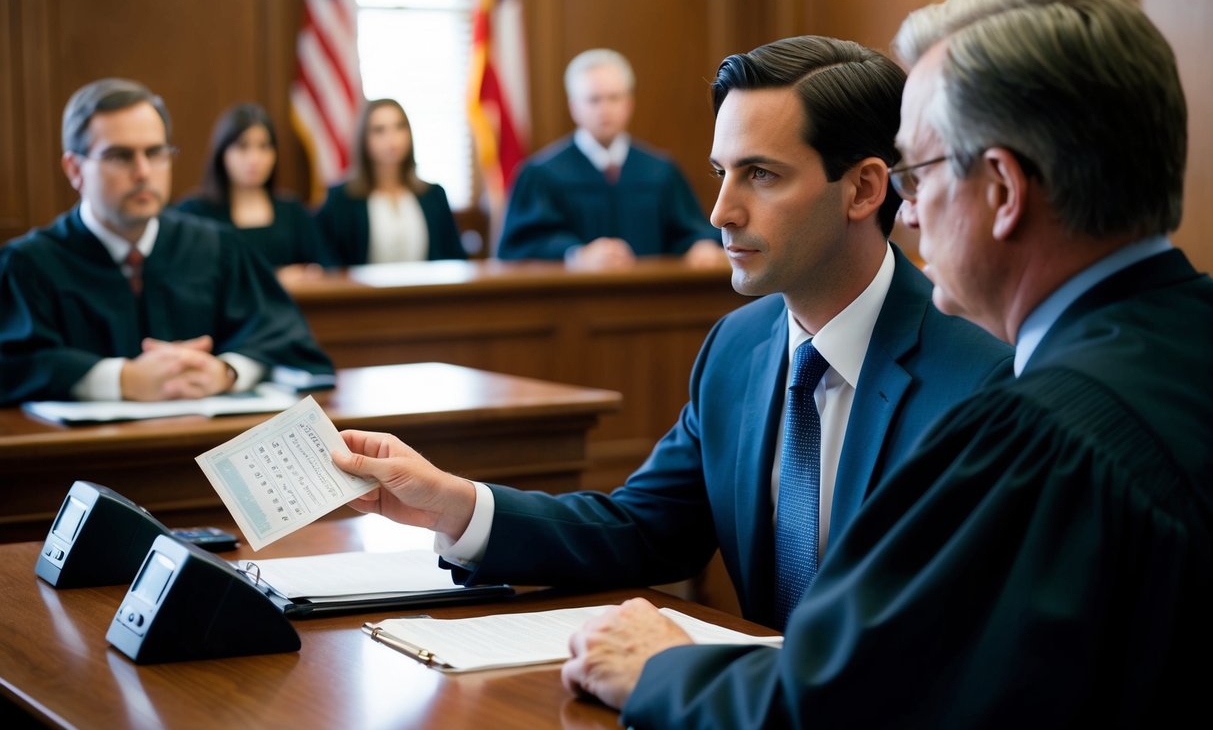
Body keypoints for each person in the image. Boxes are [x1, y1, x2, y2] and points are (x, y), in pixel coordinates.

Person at [555, 0, 1213, 727]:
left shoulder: (1041, 434)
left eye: (918, 173)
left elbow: (855, 708)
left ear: (1001, 190)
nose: (906, 215)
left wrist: (657, 668)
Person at [330, 37, 1010, 629]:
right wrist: (452, 505)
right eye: (721, 173)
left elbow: (939, 647)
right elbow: (642, 531)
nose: (720, 211)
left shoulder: (980, 381)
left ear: (863, 190)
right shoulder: (736, 351)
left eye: (760, 175)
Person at [0, 78, 334, 405]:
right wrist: (121, 379)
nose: (144, 171)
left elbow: (286, 338)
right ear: (74, 169)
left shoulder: (217, 249)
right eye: (120, 156)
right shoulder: (29, 265)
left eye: (156, 152)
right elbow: (11, 364)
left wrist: (226, 371)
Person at [497, 49, 726, 268]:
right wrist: (574, 254)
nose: (604, 109)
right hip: (570, 304)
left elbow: (687, 232)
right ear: (574, 107)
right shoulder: (541, 174)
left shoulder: (660, 171)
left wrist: (700, 245)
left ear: (629, 104)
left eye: (614, 98)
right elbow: (518, 247)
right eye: (594, 100)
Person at [177, 103, 332, 274]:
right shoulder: (194, 214)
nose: (254, 159)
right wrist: (276, 279)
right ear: (222, 153)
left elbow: (327, 267)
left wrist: (310, 272)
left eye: (264, 146)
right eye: (242, 146)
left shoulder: (292, 211)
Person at [315, 98, 466, 266]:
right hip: (360, 292)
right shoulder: (341, 199)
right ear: (364, 138)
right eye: (379, 130)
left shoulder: (433, 195)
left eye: (399, 127)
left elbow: (455, 258)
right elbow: (326, 261)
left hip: (425, 291)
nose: (391, 139)